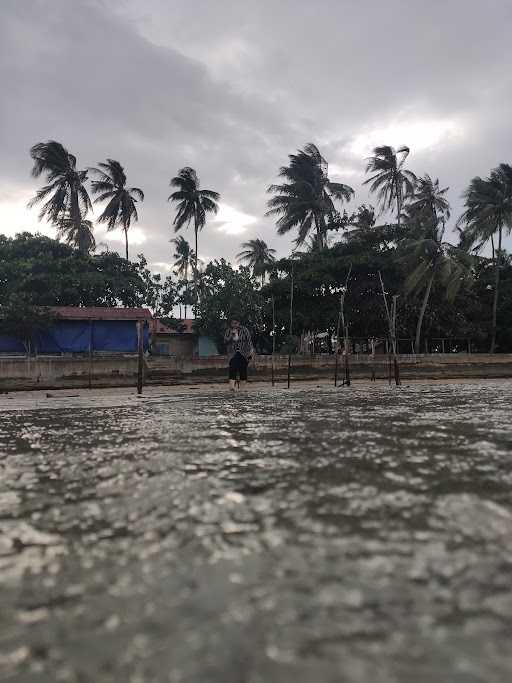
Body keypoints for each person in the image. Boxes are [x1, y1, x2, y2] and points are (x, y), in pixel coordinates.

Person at [224, 318, 254, 391]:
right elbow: (225, 341)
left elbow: (249, 341)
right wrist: (231, 335)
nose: (234, 325)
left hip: (244, 353)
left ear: (239, 323)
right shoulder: (228, 331)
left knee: (243, 369)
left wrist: (251, 351)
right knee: (232, 368)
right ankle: (232, 387)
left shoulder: (245, 330)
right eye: (233, 323)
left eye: (236, 323)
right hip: (233, 353)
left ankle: (242, 388)